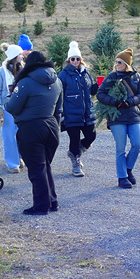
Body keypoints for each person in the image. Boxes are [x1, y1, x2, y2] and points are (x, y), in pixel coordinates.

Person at [3, 51, 63, 216]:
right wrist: (54, 126)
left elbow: (12, 107)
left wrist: (7, 99)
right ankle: (52, 202)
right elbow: (59, 109)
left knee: (37, 169)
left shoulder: (26, 82)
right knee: (45, 166)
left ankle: (41, 205)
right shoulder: (57, 81)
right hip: (51, 126)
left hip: (31, 127)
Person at [97, 48, 140, 189]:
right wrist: (115, 102)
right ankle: (122, 177)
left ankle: (128, 169)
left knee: (137, 145)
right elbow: (100, 94)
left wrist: (132, 101)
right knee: (120, 148)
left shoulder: (136, 76)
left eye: (120, 62)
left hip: (133, 115)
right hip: (117, 117)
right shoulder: (112, 77)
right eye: (116, 62)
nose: (116, 64)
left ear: (126, 64)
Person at [58, 41, 99, 177]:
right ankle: (75, 163)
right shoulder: (63, 75)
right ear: (68, 60)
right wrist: (61, 113)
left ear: (81, 59)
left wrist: (97, 87)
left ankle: (76, 152)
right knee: (74, 139)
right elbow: (59, 95)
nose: (75, 61)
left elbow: (91, 91)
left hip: (87, 112)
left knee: (91, 135)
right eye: (72, 59)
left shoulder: (86, 73)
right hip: (71, 113)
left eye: (77, 59)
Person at [0, 43, 25, 173]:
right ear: (14, 56)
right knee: (9, 137)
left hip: (22, 108)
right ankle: (12, 163)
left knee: (22, 134)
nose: (22, 56)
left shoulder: (23, 70)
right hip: (7, 109)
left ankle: (20, 156)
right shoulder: (1, 73)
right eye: (20, 54)